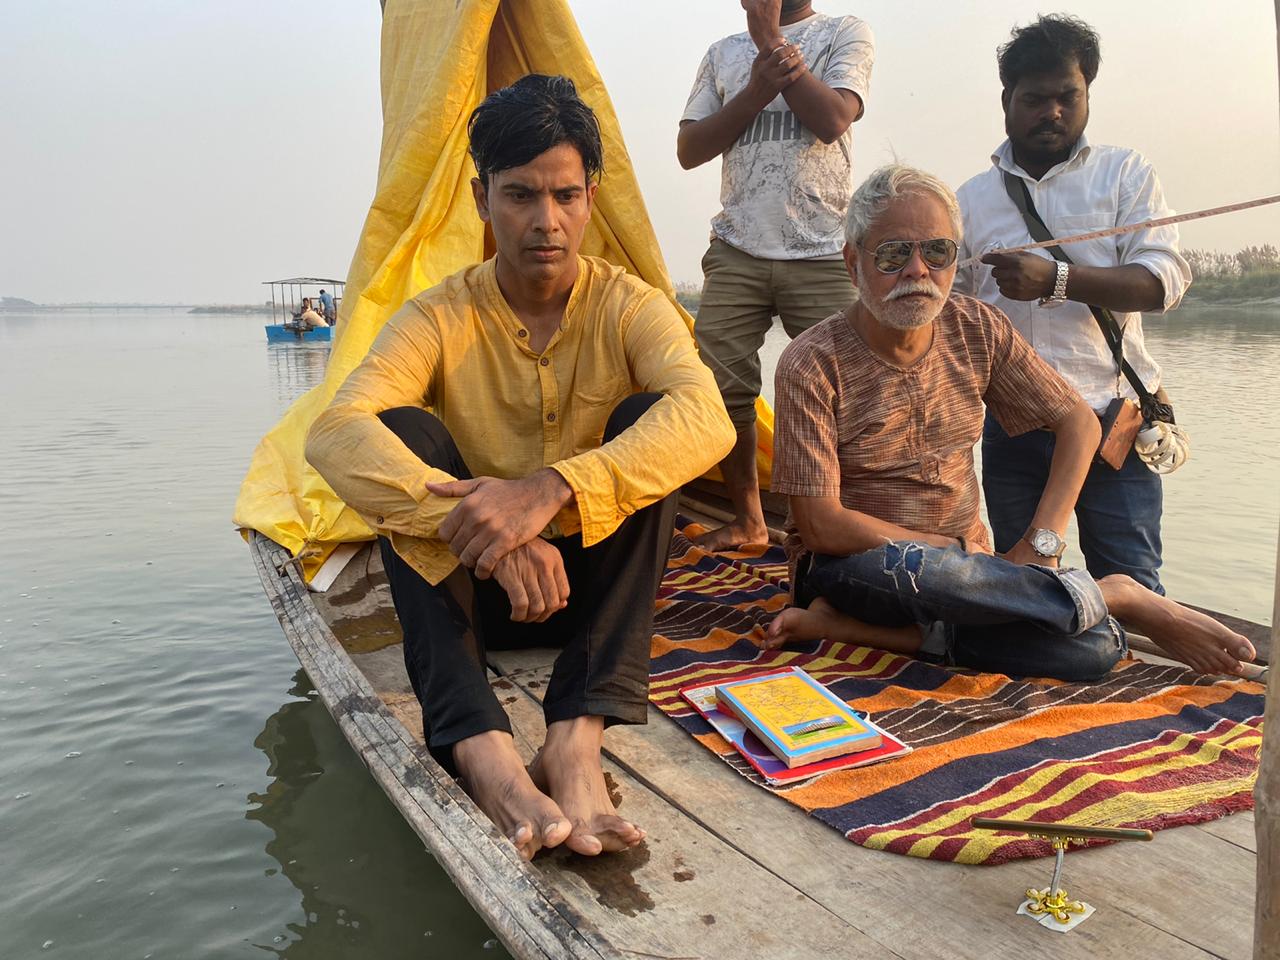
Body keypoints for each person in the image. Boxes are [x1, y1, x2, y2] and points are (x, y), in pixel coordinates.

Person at [306, 75, 734, 861]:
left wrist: (551, 492)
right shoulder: (439, 313)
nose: (547, 222)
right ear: (481, 198)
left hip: (590, 597)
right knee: (401, 433)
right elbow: (333, 433)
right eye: (520, 195)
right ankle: (483, 749)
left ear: (592, 198)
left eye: (566, 196)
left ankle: (573, 739)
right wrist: (492, 533)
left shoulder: (630, 305)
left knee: (653, 424)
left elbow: (708, 419)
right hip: (477, 587)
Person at [765, 165, 1254, 681]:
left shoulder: (977, 328)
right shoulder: (812, 361)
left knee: (1091, 652)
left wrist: (1042, 541)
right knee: (922, 568)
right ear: (853, 263)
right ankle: (1117, 593)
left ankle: (877, 634)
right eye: (892, 254)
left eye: (937, 252)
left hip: (973, 577)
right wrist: (959, 554)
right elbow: (821, 525)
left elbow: (1078, 424)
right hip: (862, 569)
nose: (917, 271)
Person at [954, 15, 1191, 593]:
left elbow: (1164, 281)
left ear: (1087, 92)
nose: (1052, 112)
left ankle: (1135, 684)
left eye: (1068, 96)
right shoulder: (969, 200)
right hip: (1015, 428)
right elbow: (952, 317)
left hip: (1114, 421)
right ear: (1007, 99)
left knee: (1134, 586)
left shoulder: (1124, 174)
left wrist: (1056, 279)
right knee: (1027, 585)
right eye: (1036, 99)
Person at [676, 0, 874, 550]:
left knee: (850, 390)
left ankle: (844, 524)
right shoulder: (721, 54)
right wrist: (755, 90)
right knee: (722, 393)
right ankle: (749, 519)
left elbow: (833, 119)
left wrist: (768, 38)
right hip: (737, 247)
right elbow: (690, 150)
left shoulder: (844, 32)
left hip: (822, 248)